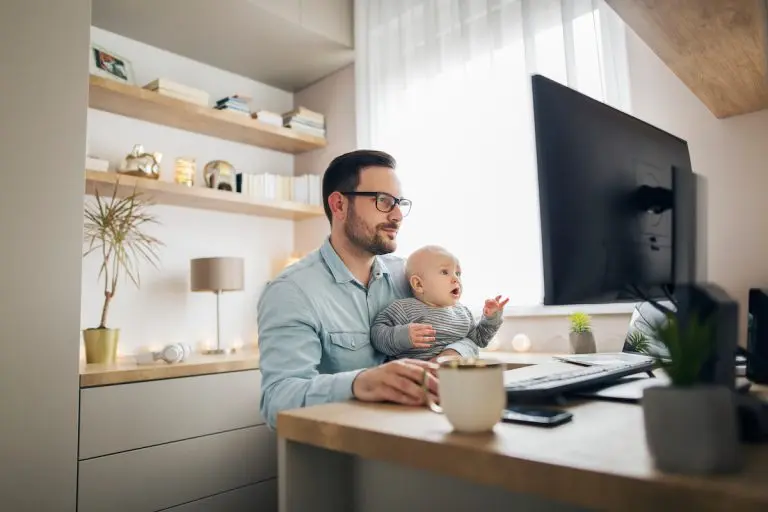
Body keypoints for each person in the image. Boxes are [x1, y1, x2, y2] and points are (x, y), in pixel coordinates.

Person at [256, 150, 481, 429]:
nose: (398, 215)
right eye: (384, 201)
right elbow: (277, 400)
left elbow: (469, 334)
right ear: (339, 205)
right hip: (344, 456)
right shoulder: (290, 292)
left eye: (399, 203)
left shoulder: (410, 276)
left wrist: (451, 356)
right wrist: (359, 383)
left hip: (422, 436)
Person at [370, 245, 508, 360]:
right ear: (418, 284)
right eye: (444, 272)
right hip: (413, 378)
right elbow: (377, 334)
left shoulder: (463, 313)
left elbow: (479, 339)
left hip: (453, 379)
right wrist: (403, 335)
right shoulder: (404, 308)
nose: (456, 279)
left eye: (458, 273)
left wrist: (491, 318)